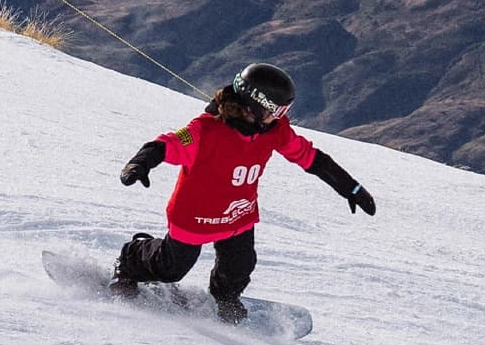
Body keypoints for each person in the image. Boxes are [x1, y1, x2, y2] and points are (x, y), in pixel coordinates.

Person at [115, 62, 377, 321]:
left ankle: (225, 297)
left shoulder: (275, 131)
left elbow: (310, 157)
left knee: (239, 267)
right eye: (278, 110)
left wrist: (349, 187)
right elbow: (167, 144)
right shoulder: (205, 130)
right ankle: (131, 258)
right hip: (194, 217)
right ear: (256, 105)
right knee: (170, 269)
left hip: (237, 216)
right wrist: (140, 163)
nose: (282, 117)